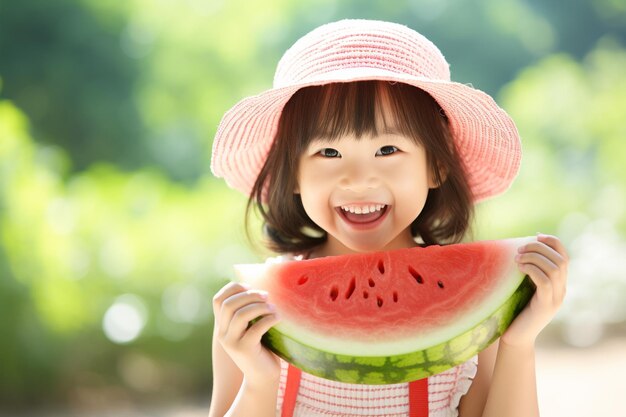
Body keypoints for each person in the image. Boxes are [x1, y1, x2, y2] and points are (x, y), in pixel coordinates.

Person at [208, 19, 568, 417]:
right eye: (328, 152)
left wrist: (519, 344)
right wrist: (260, 382)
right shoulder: (254, 311)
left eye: (388, 150)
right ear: (292, 174)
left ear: (436, 165)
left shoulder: (477, 322)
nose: (360, 179)